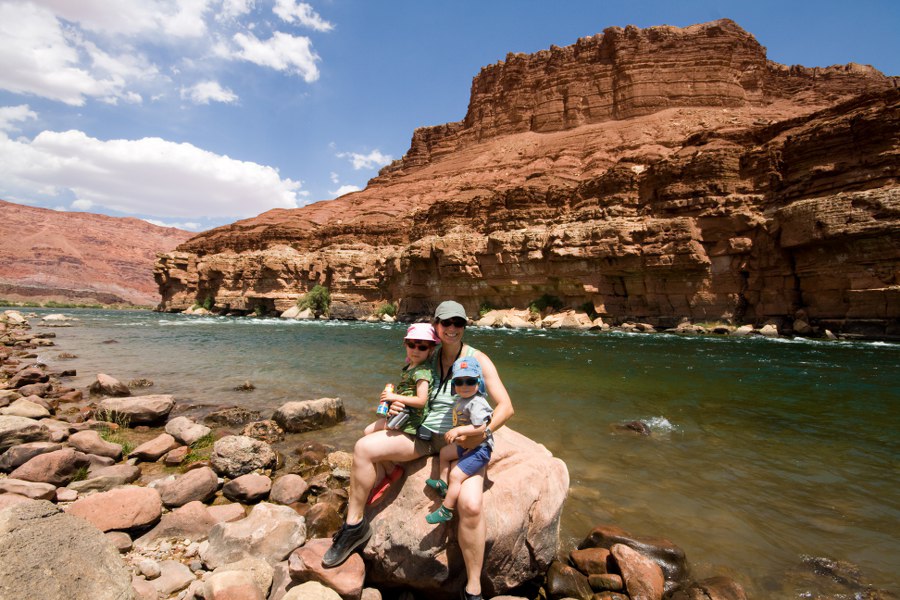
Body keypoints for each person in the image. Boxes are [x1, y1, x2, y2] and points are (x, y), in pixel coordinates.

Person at [322, 300, 515, 600]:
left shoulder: (478, 359)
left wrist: (482, 432)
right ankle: (354, 526)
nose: (452, 328)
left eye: (458, 323)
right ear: (437, 326)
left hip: (464, 443)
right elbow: (412, 389)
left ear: (465, 326)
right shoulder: (427, 352)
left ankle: (473, 588)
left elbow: (507, 407)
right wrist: (395, 402)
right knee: (363, 447)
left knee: (471, 506)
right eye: (446, 323)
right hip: (424, 437)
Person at [363, 322, 438, 504]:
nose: (416, 350)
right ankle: (386, 472)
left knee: (367, 433)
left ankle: (387, 473)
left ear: (431, 350)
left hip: (409, 422)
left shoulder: (422, 372)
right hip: (401, 416)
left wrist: (394, 396)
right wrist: (390, 400)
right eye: (412, 344)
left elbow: (421, 401)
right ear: (405, 344)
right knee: (368, 434)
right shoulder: (411, 367)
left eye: (422, 347)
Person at [425, 355, 493, 525]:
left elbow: (482, 427)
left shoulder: (477, 402)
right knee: (444, 453)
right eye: (459, 382)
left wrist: (459, 430)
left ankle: (446, 509)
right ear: (454, 385)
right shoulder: (462, 399)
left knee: (456, 476)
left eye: (470, 381)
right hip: (466, 443)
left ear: (478, 382)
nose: (464, 386)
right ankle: (442, 482)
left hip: (480, 449)